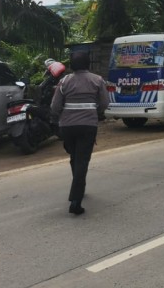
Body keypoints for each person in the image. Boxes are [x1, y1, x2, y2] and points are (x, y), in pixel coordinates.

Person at [51, 50, 109, 215]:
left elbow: (55, 107)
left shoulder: (64, 81)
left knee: (75, 158)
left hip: (67, 127)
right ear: (88, 64)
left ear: (71, 65)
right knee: (82, 160)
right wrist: (95, 111)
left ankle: (79, 187)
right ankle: (75, 201)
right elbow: (105, 103)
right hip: (88, 126)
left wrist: (60, 117)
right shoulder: (97, 80)